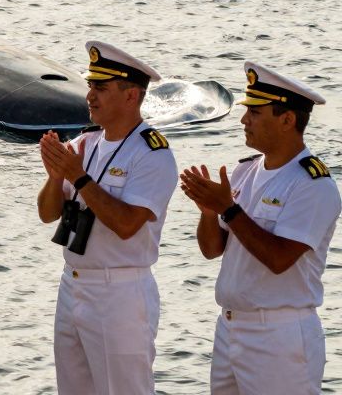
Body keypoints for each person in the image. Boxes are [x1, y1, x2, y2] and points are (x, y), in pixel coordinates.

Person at [180, 62, 338, 394]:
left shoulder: (312, 184)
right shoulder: (244, 173)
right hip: (230, 329)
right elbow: (212, 250)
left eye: (254, 112)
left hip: (279, 338)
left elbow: (279, 259)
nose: (243, 120)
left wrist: (228, 208)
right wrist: (209, 213)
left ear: (287, 119)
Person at [36, 41, 177, 395]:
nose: (90, 96)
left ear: (131, 96)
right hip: (74, 284)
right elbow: (47, 213)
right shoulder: (88, 143)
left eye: (101, 88)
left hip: (120, 292)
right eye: (90, 86)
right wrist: (56, 176)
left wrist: (80, 177)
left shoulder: (152, 153)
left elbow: (128, 225)